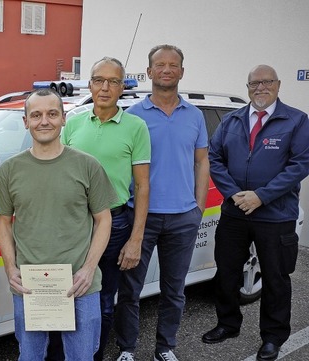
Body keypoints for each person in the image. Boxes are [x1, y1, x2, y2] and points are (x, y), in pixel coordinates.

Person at [0, 88, 117, 360]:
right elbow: (4, 223)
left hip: (80, 283)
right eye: (35, 115)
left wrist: (88, 269)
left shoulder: (88, 166)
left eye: (52, 113)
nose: (44, 121)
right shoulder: (9, 170)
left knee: (81, 356)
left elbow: (103, 219)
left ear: (63, 119)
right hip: (30, 284)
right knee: (31, 356)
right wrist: (11, 270)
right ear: (26, 121)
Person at [202, 65, 309, 361]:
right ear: (248, 87)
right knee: (226, 271)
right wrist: (233, 193)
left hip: (276, 214)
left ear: (278, 84)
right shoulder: (233, 119)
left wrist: (261, 196)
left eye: (267, 82)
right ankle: (227, 324)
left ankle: (273, 337)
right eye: (254, 83)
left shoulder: (297, 120)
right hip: (235, 211)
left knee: (276, 277)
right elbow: (214, 157)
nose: (260, 87)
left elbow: (300, 164)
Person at [113, 44, 209, 361]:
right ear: (150, 71)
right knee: (130, 290)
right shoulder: (132, 116)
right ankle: (127, 349)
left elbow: (201, 162)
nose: (166, 69)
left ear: (182, 71)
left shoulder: (194, 116)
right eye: (160, 64)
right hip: (141, 218)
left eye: (173, 64)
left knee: (174, 290)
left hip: (183, 219)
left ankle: (165, 348)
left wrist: (197, 208)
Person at [60, 57, 151, 361]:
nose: (105, 87)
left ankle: (92, 356)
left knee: (102, 301)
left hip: (113, 225)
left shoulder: (136, 128)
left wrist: (136, 239)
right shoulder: (72, 123)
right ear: (90, 83)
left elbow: (141, 187)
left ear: (123, 87)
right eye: (99, 80)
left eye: (114, 81)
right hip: (72, 225)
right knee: (65, 296)